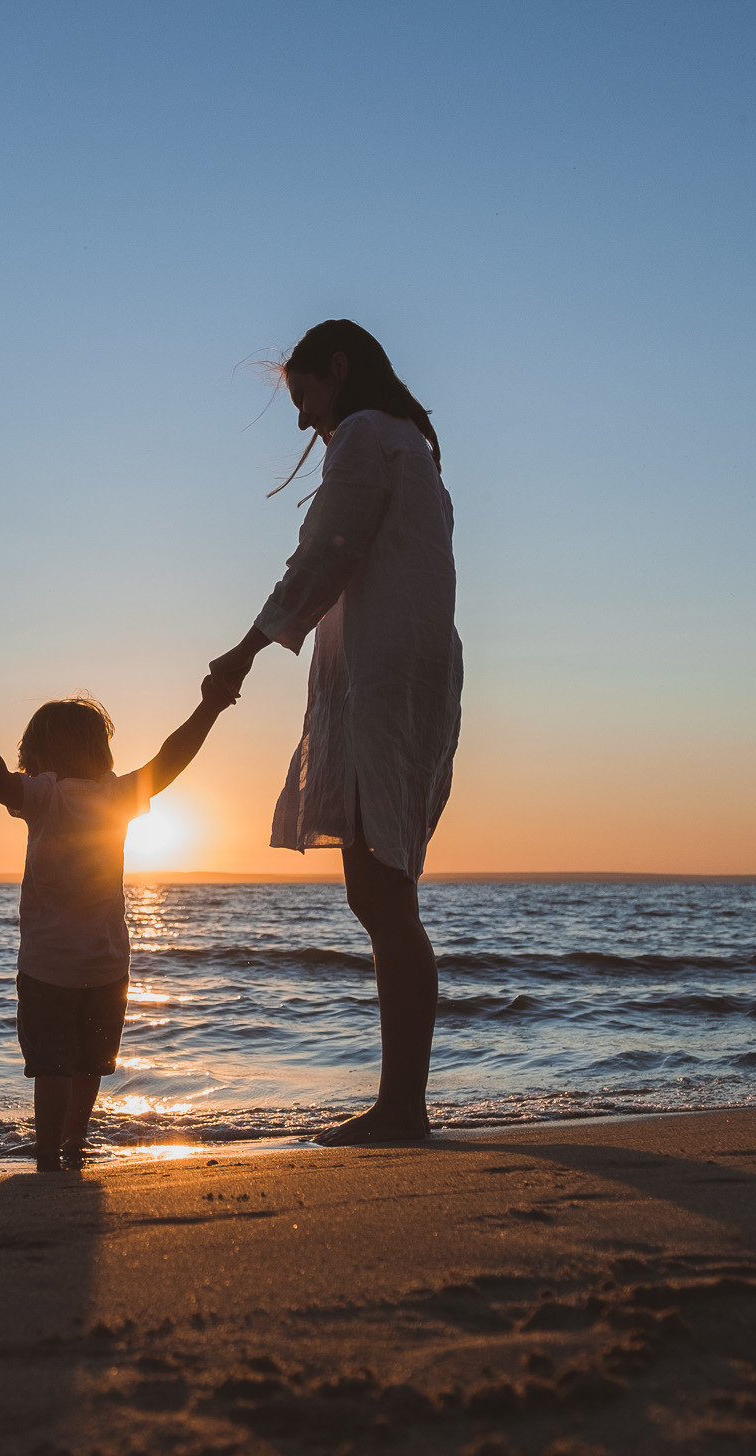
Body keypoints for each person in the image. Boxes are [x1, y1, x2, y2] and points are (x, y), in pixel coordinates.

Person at [205, 319, 462, 1146]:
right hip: (406, 680)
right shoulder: (411, 447)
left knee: (384, 894)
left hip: (382, 687)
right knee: (384, 893)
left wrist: (244, 649)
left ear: (339, 372)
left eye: (306, 393)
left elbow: (324, 555)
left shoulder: (364, 437)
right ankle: (403, 1103)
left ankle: (402, 1108)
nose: (303, 418)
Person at [0, 684, 235, 1167]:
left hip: (47, 965)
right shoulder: (116, 796)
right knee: (90, 1062)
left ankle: (49, 1148)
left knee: (52, 1064)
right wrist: (209, 705)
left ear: (38, 753)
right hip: (108, 962)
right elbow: (170, 760)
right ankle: (74, 1138)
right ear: (101, 750)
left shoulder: (46, 795)